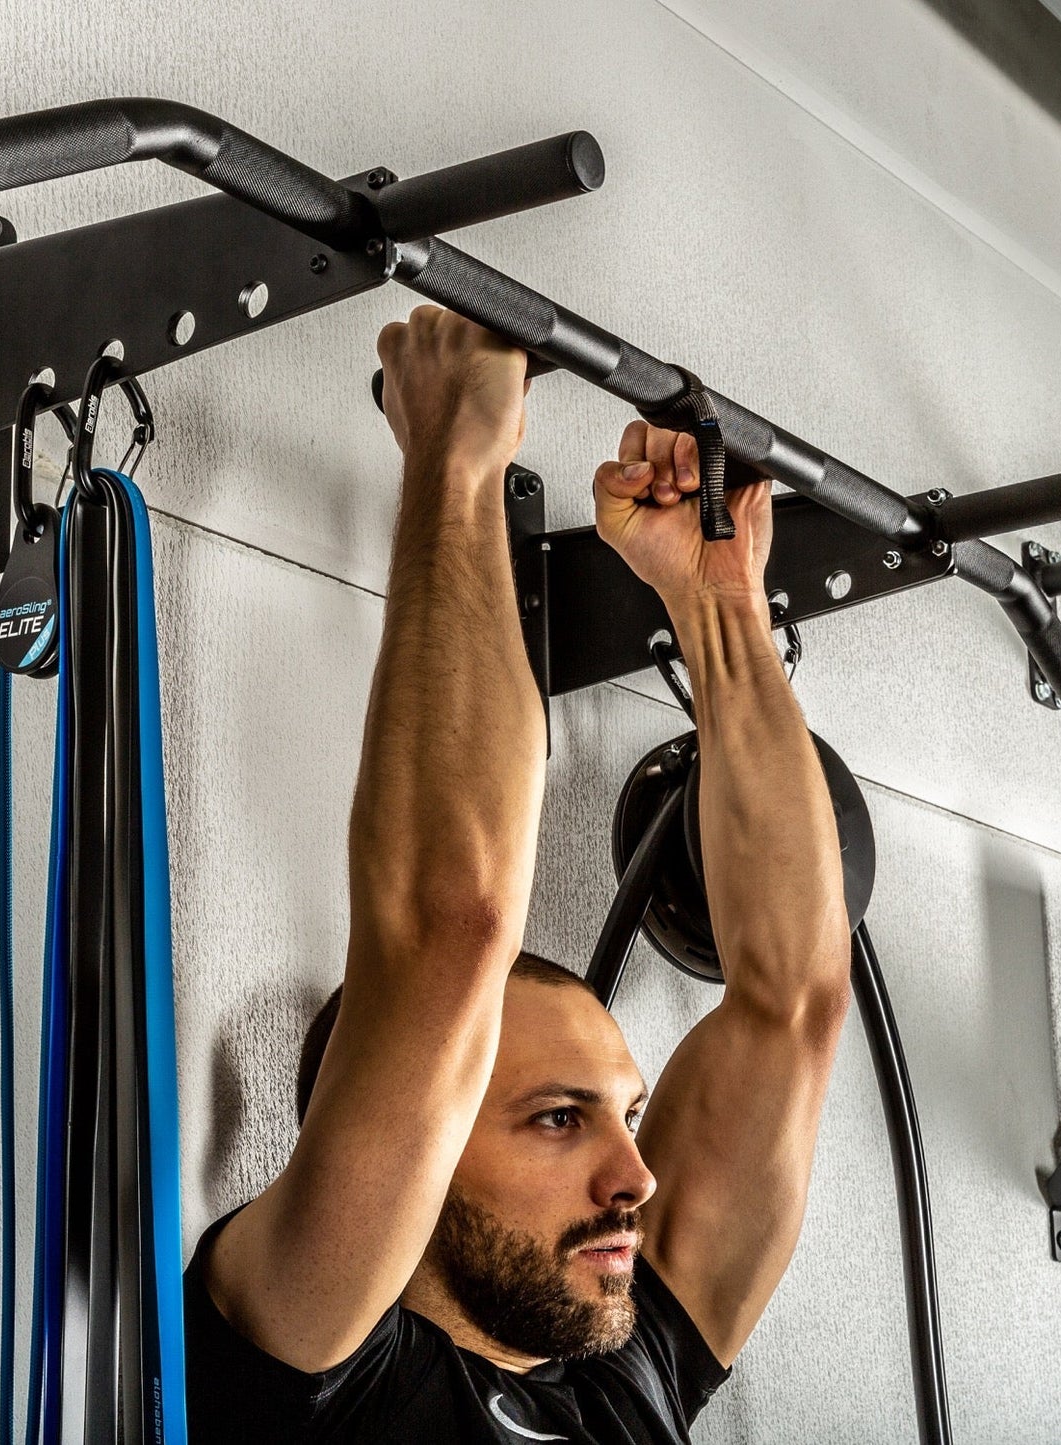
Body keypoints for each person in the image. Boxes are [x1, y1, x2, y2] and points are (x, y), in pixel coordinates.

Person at [183, 307, 851, 1443]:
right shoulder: (320, 1358)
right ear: (412, 1143)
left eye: (619, 1113)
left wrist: (719, 602)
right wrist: (454, 458)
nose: (633, 1173)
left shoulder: (622, 1372)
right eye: (556, 1117)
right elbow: (450, 928)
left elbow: (791, 1004)